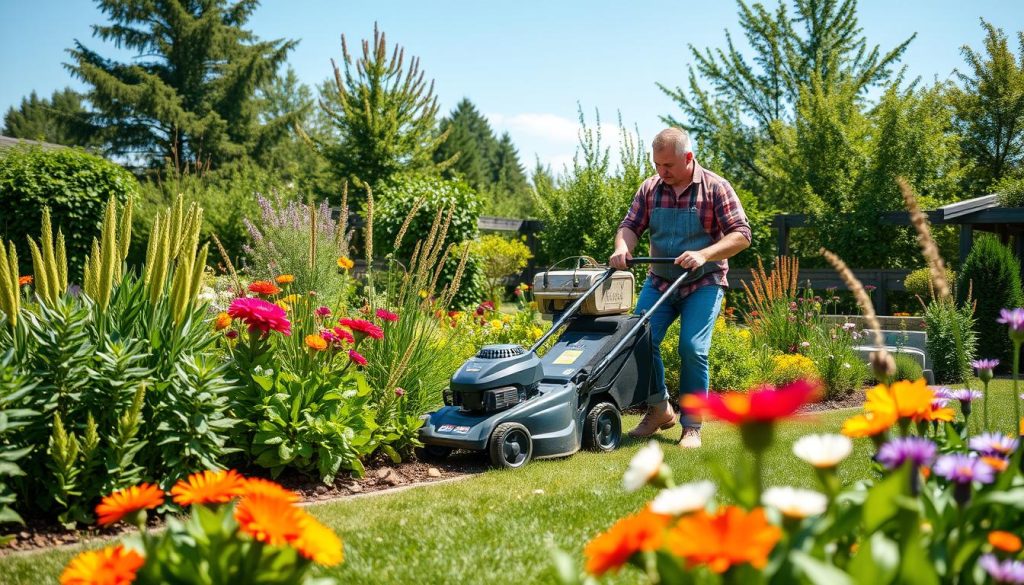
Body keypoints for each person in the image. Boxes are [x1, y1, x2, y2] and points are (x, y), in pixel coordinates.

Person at [609, 128, 751, 448]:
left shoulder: (715, 188)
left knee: (692, 348)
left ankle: (692, 425)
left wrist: (704, 254)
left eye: (668, 166)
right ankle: (660, 409)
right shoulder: (650, 189)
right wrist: (622, 247)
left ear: (688, 157)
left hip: (703, 282)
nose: (662, 172)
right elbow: (630, 227)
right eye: (657, 165)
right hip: (660, 281)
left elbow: (741, 234)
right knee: (637, 341)